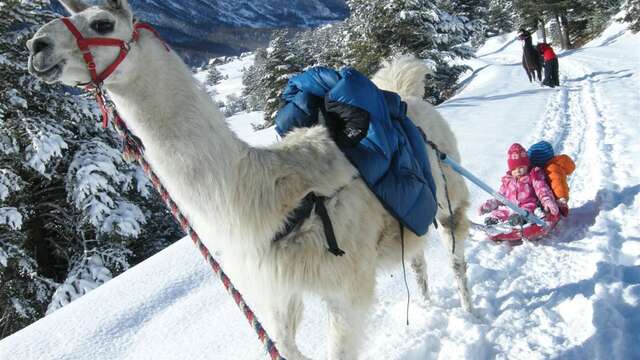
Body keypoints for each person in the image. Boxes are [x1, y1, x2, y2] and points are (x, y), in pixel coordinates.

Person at [480, 143, 559, 226]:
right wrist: (489, 205)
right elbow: (500, 196)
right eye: (514, 169)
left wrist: (547, 201)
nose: (517, 171)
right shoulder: (508, 180)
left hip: (527, 205)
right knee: (500, 211)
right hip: (509, 206)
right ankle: (493, 221)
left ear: (527, 166)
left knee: (526, 211)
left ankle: (520, 219)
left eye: (521, 167)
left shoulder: (533, 176)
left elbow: (542, 190)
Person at [528, 141, 576, 216]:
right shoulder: (543, 168)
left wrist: (561, 200)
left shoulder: (552, 169)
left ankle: (557, 208)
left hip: (555, 199)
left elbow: (558, 184)